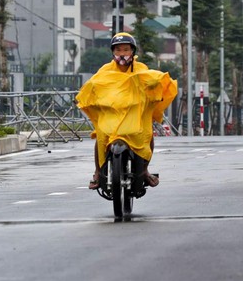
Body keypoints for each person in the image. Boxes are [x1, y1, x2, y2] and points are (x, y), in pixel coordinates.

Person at [76, 32, 178, 190]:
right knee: (100, 137)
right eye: (118, 50)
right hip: (111, 115)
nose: (122, 53)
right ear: (113, 52)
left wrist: (155, 87)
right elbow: (93, 86)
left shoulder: (141, 69)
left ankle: (144, 170)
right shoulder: (105, 70)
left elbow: (149, 82)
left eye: (125, 49)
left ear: (133, 51)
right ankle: (97, 173)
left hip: (135, 116)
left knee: (147, 135)